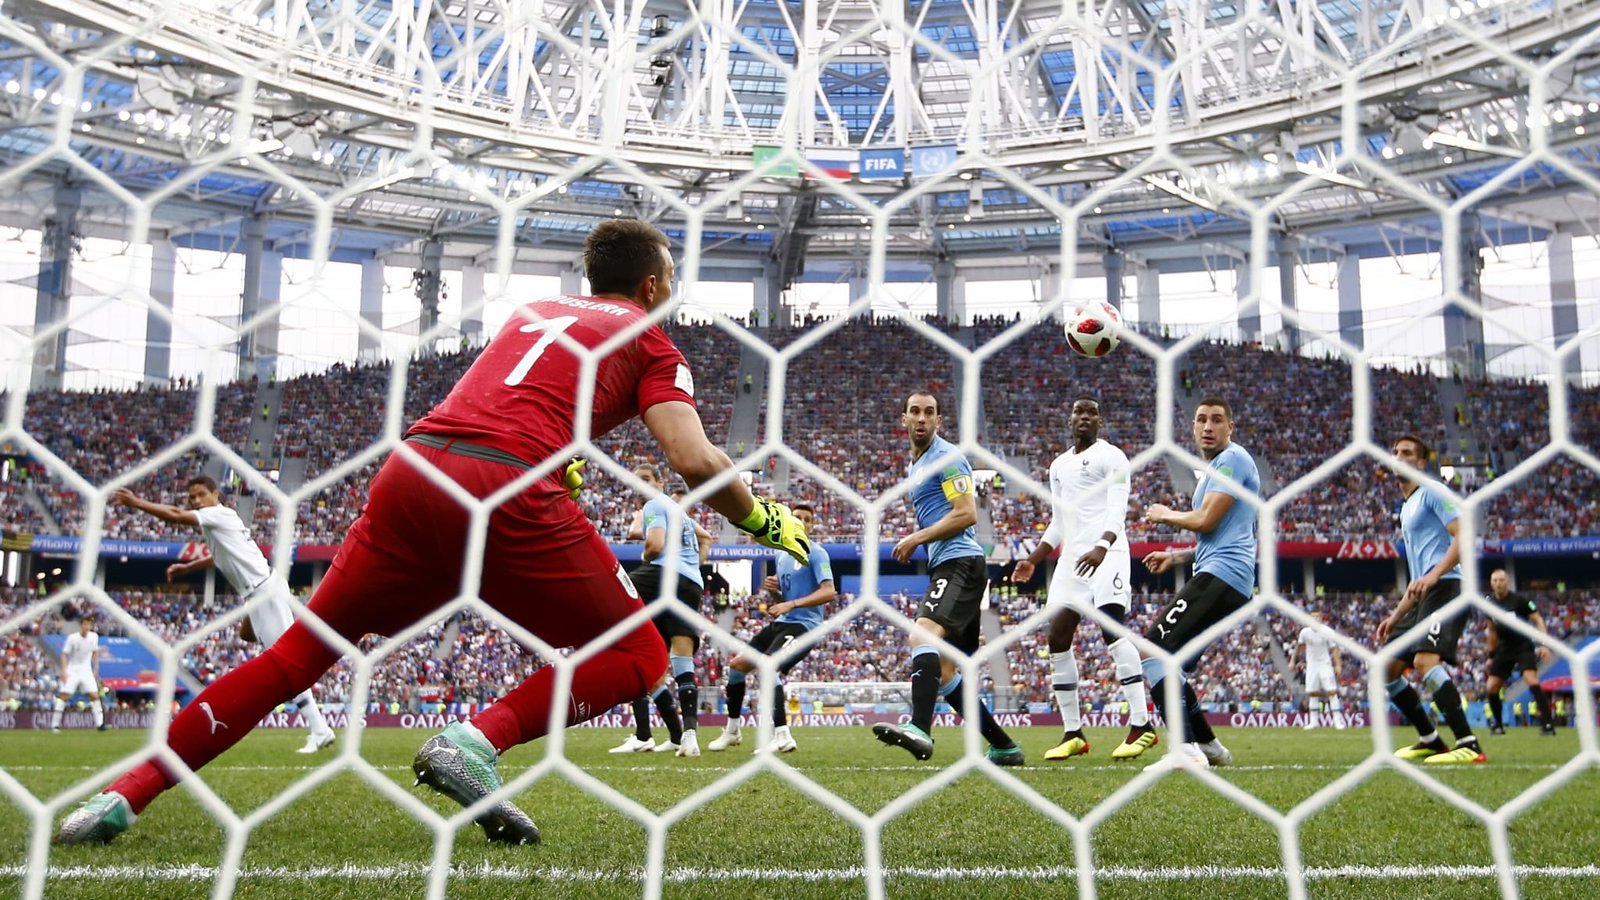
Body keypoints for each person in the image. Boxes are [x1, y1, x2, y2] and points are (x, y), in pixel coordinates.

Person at [57, 218, 811, 846]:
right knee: (642, 654)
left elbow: (505, 402)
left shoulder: (532, 314)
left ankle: (123, 794)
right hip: (505, 491)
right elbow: (693, 458)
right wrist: (765, 519)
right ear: (652, 286)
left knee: (296, 657)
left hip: (415, 472)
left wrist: (562, 457)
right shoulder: (654, 341)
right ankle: (474, 742)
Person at [114, 477, 337, 756]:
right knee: (247, 635)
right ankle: (289, 652)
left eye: (200, 495)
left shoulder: (215, 514)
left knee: (284, 664)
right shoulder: (222, 520)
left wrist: (136, 503)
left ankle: (319, 729)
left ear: (215, 494)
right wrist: (187, 569)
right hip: (260, 591)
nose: (195, 501)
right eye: (192, 497)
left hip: (263, 592)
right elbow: (218, 557)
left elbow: (176, 516)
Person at [871, 391, 1024, 766]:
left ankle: (919, 729)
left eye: (929, 413)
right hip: (948, 566)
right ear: (903, 419)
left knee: (921, 634)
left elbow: (967, 513)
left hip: (962, 563)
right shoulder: (918, 463)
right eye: (915, 412)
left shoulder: (948, 457)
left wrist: (916, 537)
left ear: (939, 421)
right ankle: (1005, 746)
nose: (921, 418)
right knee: (944, 669)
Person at [1008, 398, 1149, 761]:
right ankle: (1073, 732)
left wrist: (1102, 546)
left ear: (1100, 420)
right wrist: (1034, 560)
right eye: (1078, 413)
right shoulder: (1059, 465)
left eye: (1091, 413)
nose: (1084, 418)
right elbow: (1059, 522)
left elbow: (1119, 509)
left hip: (1108, 554)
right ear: (1069, 419)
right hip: (1072, 560)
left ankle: (1141, 724)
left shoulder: (1112, 457)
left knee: (1112, 631)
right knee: (1056, 637)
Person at [1138, 397, 1258, 770]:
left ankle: (1185, 750)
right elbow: (1218, 534)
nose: (1208, 426)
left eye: (1217, 420)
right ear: (1192, 427)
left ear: (1230, 427)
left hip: (1223, 575)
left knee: (1154, 650)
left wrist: (1165, 515)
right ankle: (1209, 746)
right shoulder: (1213, 471)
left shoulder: (1233, 460)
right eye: (1201, 419)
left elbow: (1206, 521)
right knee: (1174, 666)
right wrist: (1176, 557)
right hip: (1224, 575)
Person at [1374, 435, 1483, 764]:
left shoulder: (1433, 491)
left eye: (1407, 453)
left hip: (1449, 586)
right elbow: (1417, 575)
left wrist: (1435, 574)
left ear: (1421, 463)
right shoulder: (1408, 507)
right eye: (1395, 453)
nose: (1399, 457)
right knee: (1387, 668)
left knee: (1424, 662)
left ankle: (1469, 743)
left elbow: (1464, 534)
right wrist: (1396, 616)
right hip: (1425, 593)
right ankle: (1431, 739)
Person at [708, 502, 835, 754]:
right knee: (736, 667)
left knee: (768, 667)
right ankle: (732, 731)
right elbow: (785, 601)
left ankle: (782, 735)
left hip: (805, 626)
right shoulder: (782, 554)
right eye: (796, 517)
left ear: (811, 525)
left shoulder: (816, 553)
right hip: (782, 624)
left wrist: (792, 603)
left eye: (806, 519)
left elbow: (829, 591)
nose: (801, 521)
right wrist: (776, 593)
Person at [610, 469, 714, 756]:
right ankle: (686, 737)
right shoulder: (678, 512)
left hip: (662, 576)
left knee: (620, 621)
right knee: (681, 660)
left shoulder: (655, 505)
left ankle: (643, 734)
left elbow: (654, 546)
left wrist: (645, 554)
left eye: (646, 479)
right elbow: (707, 538)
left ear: (659, 484)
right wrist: (694, 566)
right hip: (690, 584)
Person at [1483, 568, 1555, 736]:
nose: (1498, 584)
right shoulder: (1489, 604)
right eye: (1495, 580)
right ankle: (1498, 726)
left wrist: (1544, 644)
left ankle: (1548, 724)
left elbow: (1538, 620)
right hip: (1504, 648)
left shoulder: (1520, 600)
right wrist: (1491, 655)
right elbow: (1491, 630)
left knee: (1531, 679)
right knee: (1492, 686)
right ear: (1491, 583)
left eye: (1501, 580)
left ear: (1507, 582)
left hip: (1523, 645)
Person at [53, 615, 107, 732]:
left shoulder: (94, 637)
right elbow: (64, 654)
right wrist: (64, 671)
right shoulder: (72, 638)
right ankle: (55, 724)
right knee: (65, 695)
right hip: (73, 670)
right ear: (81, 625)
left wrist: (96, 667)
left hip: (86, 670)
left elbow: (94, 652)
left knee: (94, 695)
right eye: (85, 624)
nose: (87, 627)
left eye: (89, 624)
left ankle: (100, 724)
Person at [1296, 610, 1346, 730]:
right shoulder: (1305, 632)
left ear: (1321, 618)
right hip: (1312, 665)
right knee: (1313, 693)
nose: (1315, 619)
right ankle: (1313, 722)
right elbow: (1299, 646)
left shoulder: (1327, 631)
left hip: (1325, 664)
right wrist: (1294, 661)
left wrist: (1338, 664)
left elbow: (1334, 649)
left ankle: (1337, 721)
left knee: (1331, 691)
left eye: (1317, 617)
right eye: (1312, 617)